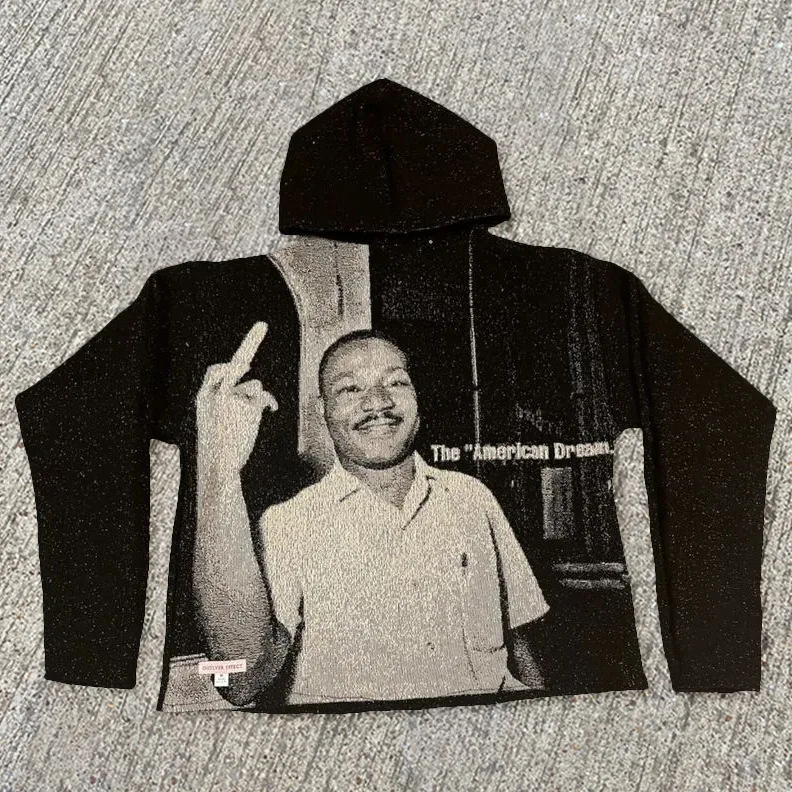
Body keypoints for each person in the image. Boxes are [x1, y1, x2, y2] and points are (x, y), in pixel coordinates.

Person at [193, 322, 550, 707]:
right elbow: (239, 680)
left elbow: (518, 643)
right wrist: (220, 467)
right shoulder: (286, 524)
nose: (378, 401)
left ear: (417, 399)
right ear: (323, 412)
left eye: (396, 382)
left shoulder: (472, 498)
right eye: (350, 389)